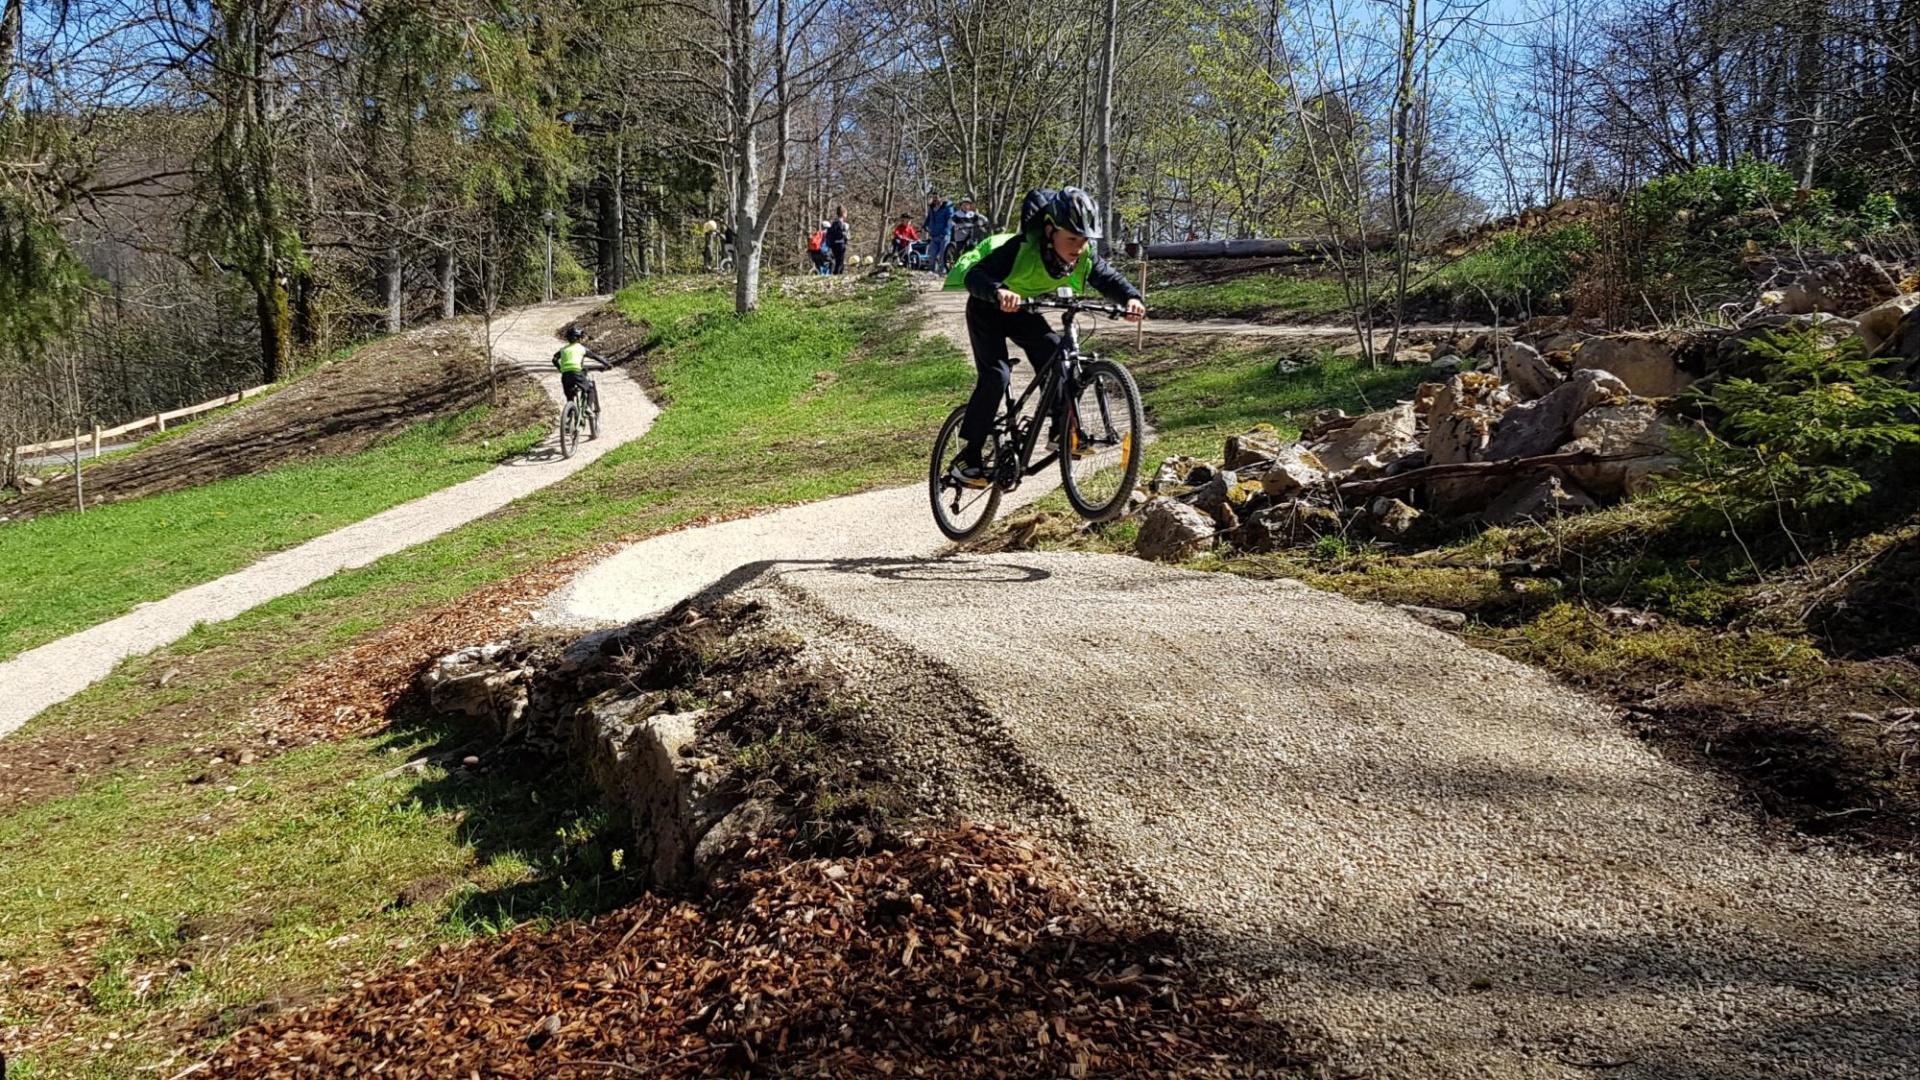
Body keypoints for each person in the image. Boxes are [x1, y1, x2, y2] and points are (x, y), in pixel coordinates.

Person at [943, 187, 1144, 489]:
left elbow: (1107, 278)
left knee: (1054, 351)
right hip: (987, 309)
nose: (1079, 247)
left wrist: (1131, 297)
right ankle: (968, 457)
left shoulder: (1084, 255)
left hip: (1023, 310)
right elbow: (975, 276)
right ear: (1050, 231)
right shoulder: (1021, 249)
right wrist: (998, 291)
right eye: (1071, 239)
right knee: (997, 376)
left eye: (1084, 240)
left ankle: (1060, 431)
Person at [552, 325, 612, 413]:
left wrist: (560, 368)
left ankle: (569, 414)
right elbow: (596, 357)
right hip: (577, 373)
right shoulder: (582, 349)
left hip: (565, 375)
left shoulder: (563, 349)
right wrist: (607, 364)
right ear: (579, 338)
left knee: (569, 397)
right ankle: (588, 407)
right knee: (589, 389)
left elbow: (554, 359)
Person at [923, 194, 953, 273]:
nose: (934, 199)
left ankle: (942, 271)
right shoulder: (932, 208)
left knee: (942, 256)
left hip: (944, 235)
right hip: (934, 235)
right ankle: (931, 271)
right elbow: (928, 218)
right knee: (932, 255)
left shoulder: (947, 208)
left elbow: (950, 221)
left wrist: (945, 232)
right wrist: (925, 226)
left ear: (941, 198)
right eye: (933, 197)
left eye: (936, 197)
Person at [825, 205, 850, 275]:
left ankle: (837, 273)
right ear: (843, 213)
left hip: (834, 244)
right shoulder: (841, 223)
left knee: (837, 260)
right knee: (840, 261)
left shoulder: (834, 223)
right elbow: (842, 234)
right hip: (840, 244)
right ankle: (838, 274)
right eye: (846, 213)